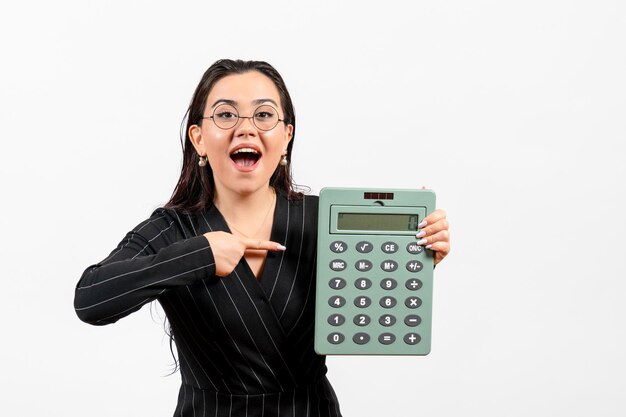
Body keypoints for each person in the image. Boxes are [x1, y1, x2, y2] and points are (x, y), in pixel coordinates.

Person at [74, 59, 451, 417]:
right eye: (225, 114)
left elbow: (373, 302)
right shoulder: (174, 229)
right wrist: (199, 256)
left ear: (286, 137)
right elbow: (91, 299)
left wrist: (414, 255)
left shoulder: (323, 218)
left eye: (264, 114)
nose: (246, 127)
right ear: (199, 138)